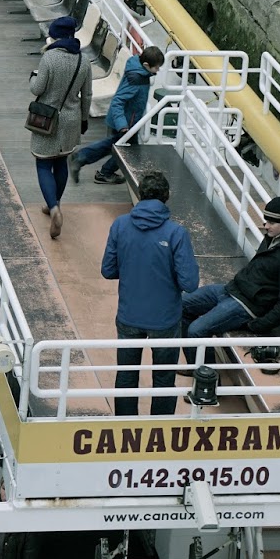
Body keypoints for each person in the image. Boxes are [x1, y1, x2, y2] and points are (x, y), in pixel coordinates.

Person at [101, 170, 199, 416]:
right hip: (165, 320)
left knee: (126, 376)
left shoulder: (120, 225)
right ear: (167, 196)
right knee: (164, 379)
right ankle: (160, 431)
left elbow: (108, 270)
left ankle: (125, 430)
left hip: (128, 317)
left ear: (140, 194)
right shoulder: (176, 233)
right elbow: (190, 283)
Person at [182, 195, 280, 351]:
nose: (266, 226)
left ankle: (206, 373)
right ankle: (194, 363)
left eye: (271, 223)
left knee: (196, 331)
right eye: (265, 221)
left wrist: (258, 325)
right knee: (180, 305)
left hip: (246, 306)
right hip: (231, 290)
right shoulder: (275, 236)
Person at [28, 16, 92, 239]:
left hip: (47, 119)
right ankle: (54, 203)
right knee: (61, 161)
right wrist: (84, 119)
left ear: (54, 35)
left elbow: (37, 88)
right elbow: (87, 95)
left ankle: (53, 207)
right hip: (72, 119)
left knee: (43, 164)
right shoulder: (83, 61)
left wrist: (32, 77)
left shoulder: (49, 58)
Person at [70, 44, 165, 186]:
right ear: (146, 64)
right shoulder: (137, 79)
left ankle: (84, 159)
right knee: (126, 150)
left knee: (114, 146)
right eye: (156, 67)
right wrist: (122, 125)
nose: (158, 70)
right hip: (125, 123)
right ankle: (100, 171)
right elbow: (118, 102)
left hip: (126, 121)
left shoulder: (138, 71)